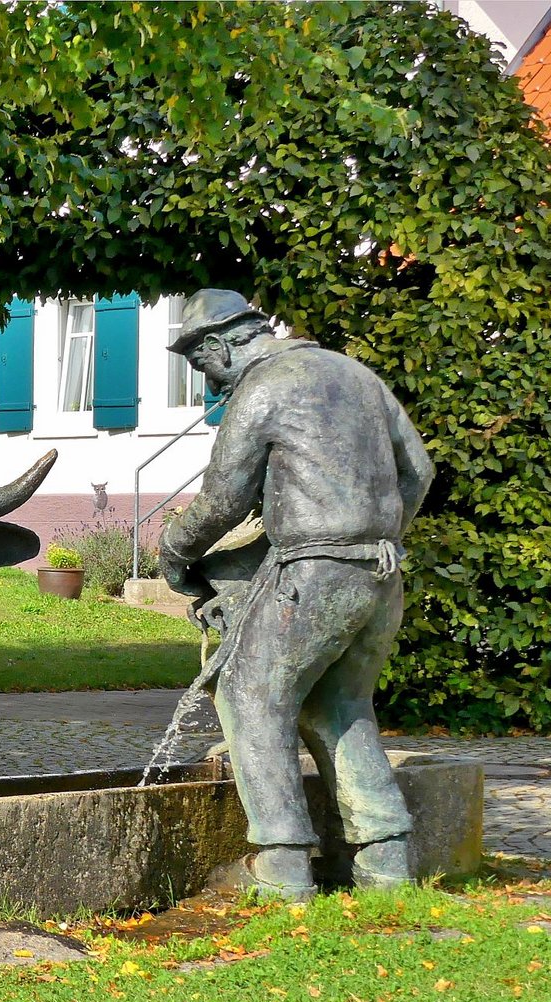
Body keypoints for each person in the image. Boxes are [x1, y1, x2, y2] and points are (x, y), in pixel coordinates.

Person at [157, 289, 435, 900]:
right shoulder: (355, 375)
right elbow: (419, 470)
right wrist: (374, 532)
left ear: (223, 342)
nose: (206, 377)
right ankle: (386, 862)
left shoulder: (263, 388)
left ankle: (282, 869)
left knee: (250, 696)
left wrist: (174, 553)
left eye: (201, 362)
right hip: (382, 572)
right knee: (338, 705)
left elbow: (222, 500)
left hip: (312, 572)